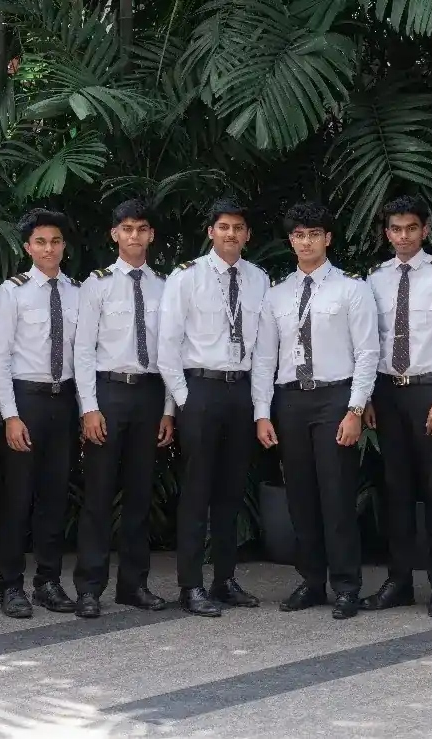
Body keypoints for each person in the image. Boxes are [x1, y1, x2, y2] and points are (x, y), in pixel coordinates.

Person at [252, 202, 379, 620]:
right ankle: (311, 581)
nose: (306, 242)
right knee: (300, 496)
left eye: (313, 234)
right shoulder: (277, 294)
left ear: (328, 238)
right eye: (298, 235)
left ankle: (346, 586)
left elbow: (367, 352)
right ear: (291, 241)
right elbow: (264, 358)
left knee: (337, 495)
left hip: (334, 398)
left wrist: (355, 409)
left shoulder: (351, 288)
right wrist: (262, 412)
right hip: (290, 401)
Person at [158, 197, 269, 617]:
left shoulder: (258, 278)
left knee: (231, 491)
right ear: (211, 232)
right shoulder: (186, 277)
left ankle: (225, 580)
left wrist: (260, 406)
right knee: (197, 491)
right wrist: (184, 401)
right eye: (224, 227)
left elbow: (264, 351)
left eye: (238, 228)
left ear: (247, 234)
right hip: (200, 390)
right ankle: (190, 585)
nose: (231, 234)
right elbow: (167, 346)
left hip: (240, 392)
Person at [361, 195, 432, 618]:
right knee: (396, 490)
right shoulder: (375, 279)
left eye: (411, 228)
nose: (403, 236)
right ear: (387, 233)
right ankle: (399, 581)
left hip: (428, 390)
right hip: (388, 392)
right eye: (395, 229)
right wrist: (369, 396)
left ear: (425, 230)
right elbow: (369, 342)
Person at [72, 199, 176, 617]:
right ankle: (89, 589)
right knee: (98, 495)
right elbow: (82, 350)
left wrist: (168, 409)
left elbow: (171, 352)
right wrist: (88, 407)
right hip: (108, 393)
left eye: (142, 228)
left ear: (151, 235)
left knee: (139, 495)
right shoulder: (96, 285)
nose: (135, 235)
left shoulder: (165, 286)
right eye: (127, 228)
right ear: (115, 234)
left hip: (150, 395)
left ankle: (134, 585)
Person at [0, 208, 81, 618]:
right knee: (17, 496)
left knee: (54, 496)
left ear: (64, 246)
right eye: (41, 242)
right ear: (28, 247)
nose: (49, 248)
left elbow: (84, 353)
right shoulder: (12, 292)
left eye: (56, 241)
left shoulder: (78, 291)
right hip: (25, 401)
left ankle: (48, 581)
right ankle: (11, 585)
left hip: (64, 401)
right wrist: (10, 415)